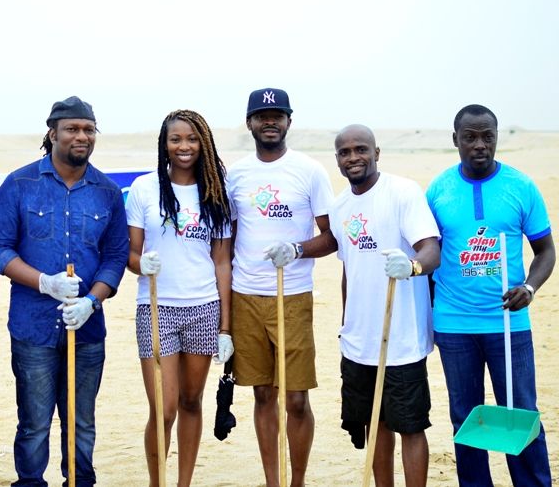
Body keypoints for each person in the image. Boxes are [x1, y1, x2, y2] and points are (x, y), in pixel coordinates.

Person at [0, 96, 128, 487]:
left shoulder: (107, 192)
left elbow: (115, 257)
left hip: (87, 331)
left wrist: (91, 300)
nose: (81, 136)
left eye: (88, 129)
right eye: (72, 129)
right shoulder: (20, 184)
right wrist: (43, 282)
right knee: (33, 422)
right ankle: (31, 482)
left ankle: (79, 481)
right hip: (33, 329)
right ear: (52, 133)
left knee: (81, 421)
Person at [426, 104, 555, 486]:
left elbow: (546, 251)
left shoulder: (521, 186)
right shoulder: (438, 190)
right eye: (470, 137)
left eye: (487, 137)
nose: (479, 145)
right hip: (454, 326)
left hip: (508, 323)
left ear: (496, 138)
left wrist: (529, 288)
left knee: (520, 413)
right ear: (456, 141)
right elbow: (428, 253)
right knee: (466, 416)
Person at [227, 88, 333, 487]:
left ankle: (298, 480)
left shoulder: (309, 171)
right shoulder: (235, 173)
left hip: (292, 297)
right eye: (261, 115)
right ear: (249, 122)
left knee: (297, 399)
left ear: (290, 120)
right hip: (246, 295)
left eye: (277, 115)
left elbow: (331, 236)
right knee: (261, 395)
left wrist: (296, 248)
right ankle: (274, 480)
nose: (269, 121)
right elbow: (228, 237)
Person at [124, 109, 233, 487]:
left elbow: (222, 261)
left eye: (191, 139)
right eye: (175, 139)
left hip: (204, 307)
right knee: (164, 406)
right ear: (164, 144)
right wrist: (143, 265)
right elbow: (130, 254)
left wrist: (225, 327)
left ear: (203, 143)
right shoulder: (144, 188)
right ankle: (158, 482)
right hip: (156, 308)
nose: (183, 146)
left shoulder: (216, 191)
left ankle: (183, 483)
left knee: (191, 401)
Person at [326, 125, 440, 487]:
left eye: (361, 149)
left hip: (401, 337)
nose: (353, 157)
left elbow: (431, 249)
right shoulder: (340, 205)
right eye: (345, 152)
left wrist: (412, 266)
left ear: (377, 152)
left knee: (410, 424)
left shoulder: (403, 192)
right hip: (360, 339)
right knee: (375, 422)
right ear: (338, 160)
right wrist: (346, 324)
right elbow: (350, 270)